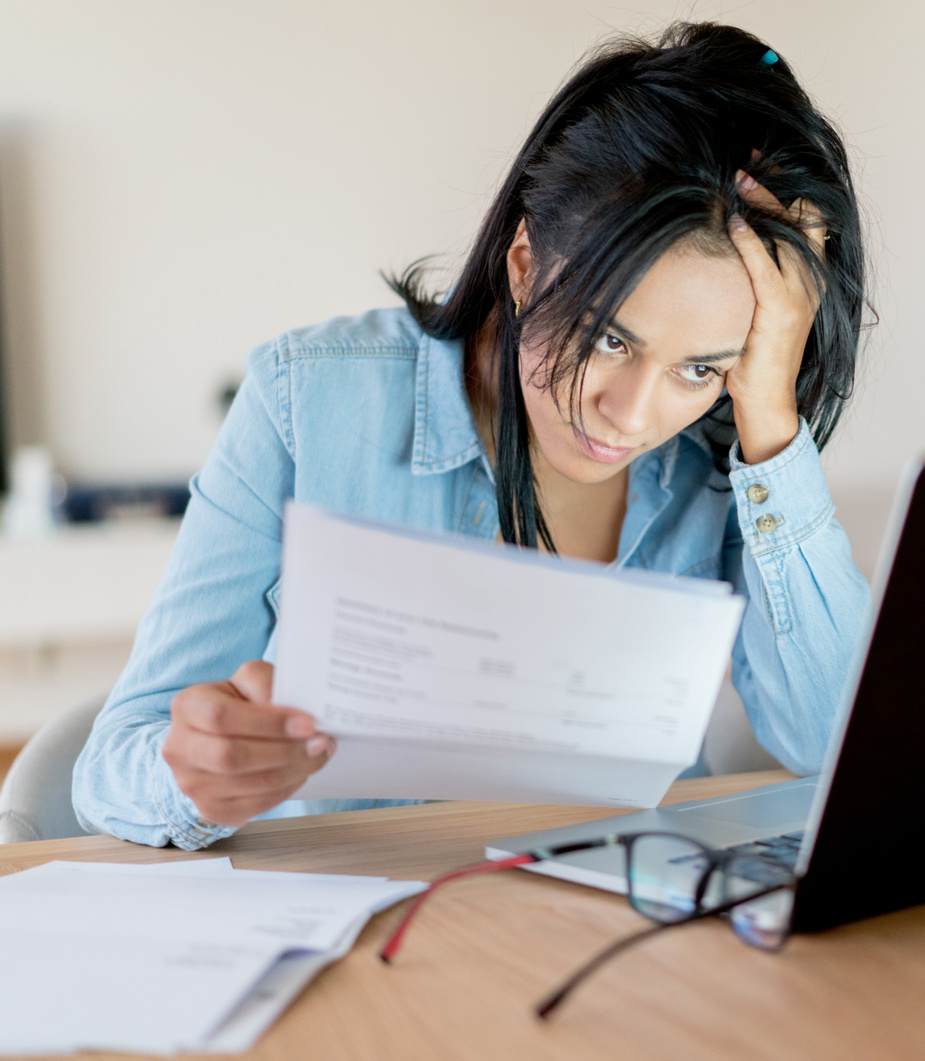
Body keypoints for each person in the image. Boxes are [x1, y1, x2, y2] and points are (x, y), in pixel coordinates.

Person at [73, 22, 871, 849]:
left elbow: (832, 743)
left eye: (700, 367)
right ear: (523, 263)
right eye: (608, 338)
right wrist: (198, 778)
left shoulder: (723, 451)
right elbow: (110, 771)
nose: (633, 417)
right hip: (364, 936)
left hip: (624, 934)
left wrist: (772, 418)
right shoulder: (306, 400)